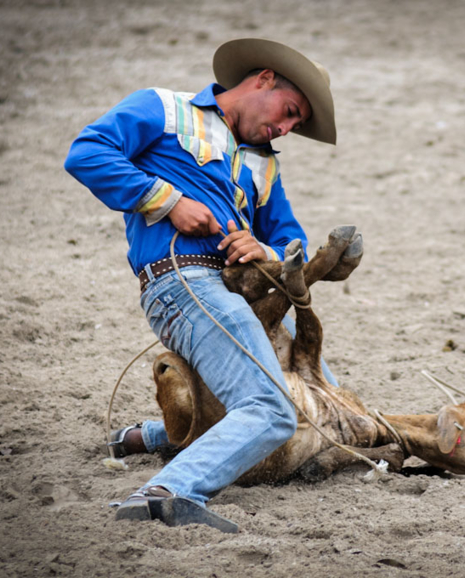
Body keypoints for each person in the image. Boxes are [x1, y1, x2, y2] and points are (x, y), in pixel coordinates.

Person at [64, 38, 337, 531]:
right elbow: (87, 152)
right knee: (272, 410)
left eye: (296, 125)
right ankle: (164, 492)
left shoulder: (264, 164)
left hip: (233, 295)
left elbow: (290, 237)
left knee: (322, 399)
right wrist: (167, 201)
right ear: (264, 78)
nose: (288, 128)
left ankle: (152, 436)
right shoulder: (162, 106)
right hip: (183, 281)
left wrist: (264, 250)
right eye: (290, 112)